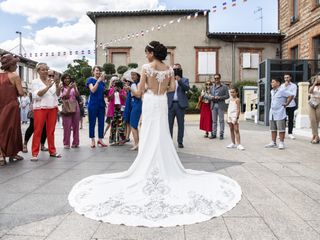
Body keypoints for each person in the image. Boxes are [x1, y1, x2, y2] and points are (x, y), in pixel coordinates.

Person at [68, 40, 241, 227]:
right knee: (162, 133)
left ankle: (147, 162)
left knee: (149, 132)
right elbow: (173, 89)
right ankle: (163, 163)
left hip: (150, 101)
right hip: (160, 102)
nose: (145, 55)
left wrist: (133, 90)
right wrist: (162, 88)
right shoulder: (169, 70)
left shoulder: (146, 68)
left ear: (151, 52)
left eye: (146, 52)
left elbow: (140, 90)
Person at [31, 64, 61, 161]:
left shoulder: (52, 81)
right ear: (38, 71)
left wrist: (56, 84)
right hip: (40, 108)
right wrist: (48, 86)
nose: (45, 71)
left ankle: (52, 151)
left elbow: (57, 95)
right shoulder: (35, 82)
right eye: (43, 70)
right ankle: (34, 153)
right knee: (38, 130)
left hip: (52, 107)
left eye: (46, 69)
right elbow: (38, 95)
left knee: (51, 130)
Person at [0, 54, 24, 166]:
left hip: (1, 105)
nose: (16, 65)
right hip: (11, 106)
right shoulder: (14, 76)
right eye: (15, 64)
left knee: (2, 129)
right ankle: (12, 153)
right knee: (12, 129)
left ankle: (1, 155)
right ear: (11, 65)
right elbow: (20, 93)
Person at [265, 77, 294, 150]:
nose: (271, 83)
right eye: (271, 82)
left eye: (273, 82)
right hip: (272, 112)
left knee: (281, 129)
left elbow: (291, 95)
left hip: (280, 112)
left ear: (278, 83)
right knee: (273, 128)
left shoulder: (282, 90)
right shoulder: (272, 91)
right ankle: (273, 142)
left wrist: (287, 103)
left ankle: (281, 142)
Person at [167, 63, 190, 148]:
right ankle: (169, 141)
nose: (176, 71)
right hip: (170, 104)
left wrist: (179, 80)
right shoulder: (169, 79)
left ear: (180, 70)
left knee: (181, 124)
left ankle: (180, 142)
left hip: (180, 105)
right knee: (169, 124)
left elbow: (187, 88)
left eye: (177, 69)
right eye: (174, 69)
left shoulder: (185, 79)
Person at [86, 66, 107, 148]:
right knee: (92, 122)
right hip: (93, 105)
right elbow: (93, 90)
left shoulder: (103, 82)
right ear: (93, 72)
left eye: (99, 71)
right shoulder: (90, 80)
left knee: (101, 122)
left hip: (101, 104)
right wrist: (98, 82)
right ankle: (92, 140)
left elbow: (103, 93)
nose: (98, 72)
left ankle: (100, 139)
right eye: (97, 71)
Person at [60, 73, 80, 148]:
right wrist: (69, 88)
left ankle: (75, 142)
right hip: (66, 107)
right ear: (63, 79)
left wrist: (74, 88)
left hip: (75, 105)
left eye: (68, 78)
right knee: (67, 126)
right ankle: (66, 143)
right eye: (65, 78)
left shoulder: (73, 86)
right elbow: (65, 97)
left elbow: (77, 95)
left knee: (76, 126)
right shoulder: (61, 87)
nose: (67, 80)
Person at [124, 69, 142, 150]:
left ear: (138, 76)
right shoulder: (135, 84)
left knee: (133, 124)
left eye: (134, 74)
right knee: (134, 125)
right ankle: (137, 143)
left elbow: (138, 96)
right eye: (132, 75)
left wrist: (130, 89)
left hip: (137, 104)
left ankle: (137, 144)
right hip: (135, 104)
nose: (132, 76)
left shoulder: (135, 84)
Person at [209, 73, 229, 140]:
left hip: (220, 105)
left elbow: (227, 96)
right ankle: (214, 134)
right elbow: (209, 96)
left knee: (221, 120)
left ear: (220, 78)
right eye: (215, 78)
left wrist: (219, 97)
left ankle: (221, 134)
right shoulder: (212, 87)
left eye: (217, 78)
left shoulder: (224, 87)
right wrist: (211, 97)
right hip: (213, 105)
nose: (216, 79)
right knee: (214, 121)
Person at [108, 78, 126, 146]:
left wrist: (120, 92)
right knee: (113, 125)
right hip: (113, 109)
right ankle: (112, 140)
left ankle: (121, 139)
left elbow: (125, 98)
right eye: (114, 83)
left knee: (121, 125)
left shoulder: (122, 90)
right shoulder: (111, 90)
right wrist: (113, 92)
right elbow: (109, 99)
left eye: (116, 84)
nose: (115, 85)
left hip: (121, 109)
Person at [280, 73, 297, 139]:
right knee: (282, 119)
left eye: (287, 77)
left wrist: (286, 95)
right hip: (283, 105)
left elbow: (294, 95)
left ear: (290, 78)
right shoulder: (282, 85)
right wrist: (285, 87)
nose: (286, 79)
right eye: (285, 78)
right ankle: (282, 133)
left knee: (290, 120)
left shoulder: (294, 86)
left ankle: (290, 133)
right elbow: (281, 94)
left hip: (291, 105)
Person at [308, 73, 320, 144]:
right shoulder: (313, 86)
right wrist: (314, 83)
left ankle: (314, 136)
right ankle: (316, 136)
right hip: (312, 102)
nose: (318, 80)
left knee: (317, 120)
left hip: (319, 103)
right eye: (317, 78)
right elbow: (310, 91)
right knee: (312, 119)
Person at [122, 75, 133, 142]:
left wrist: (127, 89)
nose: (125, 83)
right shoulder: (127, 89)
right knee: (126, 122)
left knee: (129, 122)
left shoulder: (131, 87)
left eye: (126, 81)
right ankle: (126, 135)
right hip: (127, 105)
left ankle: (127, 136)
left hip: (130, 106)